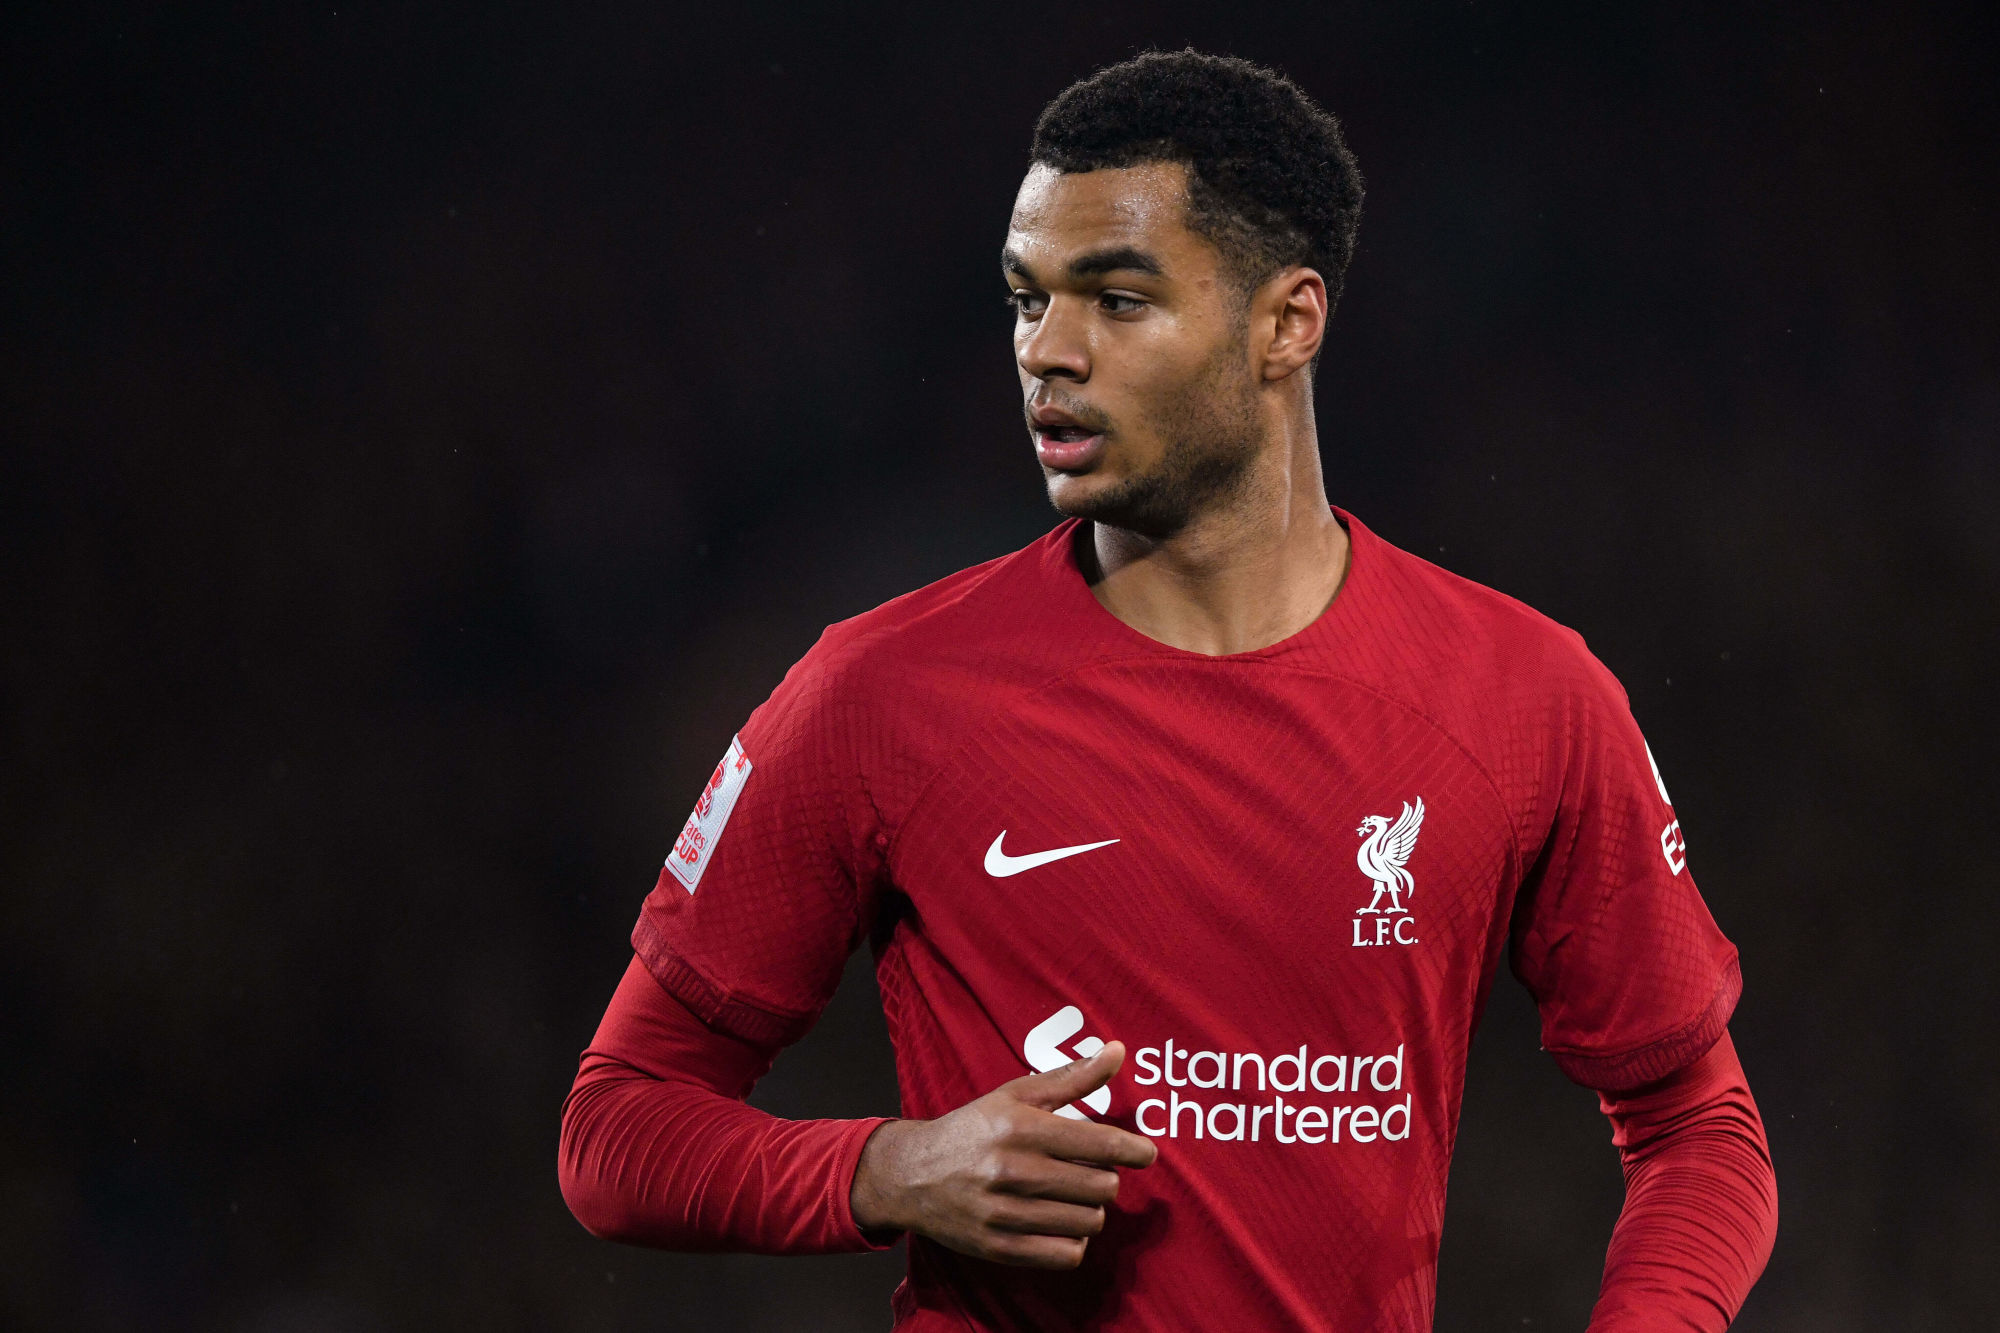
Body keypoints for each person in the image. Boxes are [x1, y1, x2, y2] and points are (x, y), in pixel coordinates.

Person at [558, 50, 1778, 1331]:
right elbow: (615, 1128)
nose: (1047, 351)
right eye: (1026, 299)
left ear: (1285, 323)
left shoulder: (1522, 698)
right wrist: (886, 1168)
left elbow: (1698, 1128)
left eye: (1118, 300)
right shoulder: (878, 692)